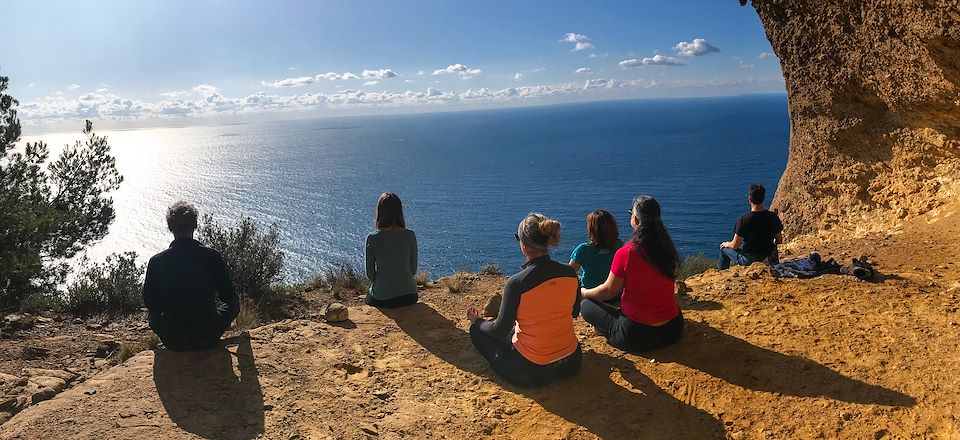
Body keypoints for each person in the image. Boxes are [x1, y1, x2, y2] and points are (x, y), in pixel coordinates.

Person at [467, 213, 582, 387]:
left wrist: (477, 320)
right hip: (571, 362)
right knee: (513, 330)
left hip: (531, 371)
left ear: (523, 244)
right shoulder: (570, 273)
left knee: (476, 332)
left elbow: (498, 330)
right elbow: (574, 312)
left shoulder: (517, 283)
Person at [580, 196, 684, 352]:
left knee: (586, 305)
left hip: (636, 334)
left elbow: (608, 291)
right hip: (673, 328)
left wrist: (584, 292)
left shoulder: (627, 253)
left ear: (635, 219)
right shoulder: (667, 247)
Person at [143, 201, 239, 351]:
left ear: (170, 227)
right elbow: (229, 297)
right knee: (233, 304)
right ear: (195, 225)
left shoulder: (157, 261)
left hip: (173, 339)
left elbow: (150, 302)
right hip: (208, 336)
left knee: (153, 315)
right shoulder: (211, 256)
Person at [365, 192, 418, 308]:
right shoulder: (410, 235)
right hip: (410, 296)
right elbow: (413, 269)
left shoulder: (372, 238)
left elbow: (370, 274)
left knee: (368, 298)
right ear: (400, 212)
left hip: (383, 298)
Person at [719, 183, 784, 269]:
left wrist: (727, 244)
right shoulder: (773, 216)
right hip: (769, 258)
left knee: (723, 249)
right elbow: (779, 240)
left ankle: (723, 273)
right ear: (763, 198)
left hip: (749, 260)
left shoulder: (744, 219)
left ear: (749, 199)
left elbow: (735, 245)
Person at [568, 210, 623, 300]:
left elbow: (569, 273)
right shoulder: (620, 247)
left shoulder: (583, 249)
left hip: (591, 296)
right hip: (616, 295)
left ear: (592, 229)